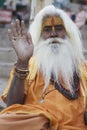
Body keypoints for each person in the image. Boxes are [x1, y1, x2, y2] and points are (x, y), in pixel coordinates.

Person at [0, 5, 87, 130]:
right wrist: (22, 62)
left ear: (68, 33)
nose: (53, 34)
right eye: (47, 30)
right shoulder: (27, 65)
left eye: (58, 28)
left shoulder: (83, 70)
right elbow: (12, 105)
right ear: (40, 34)